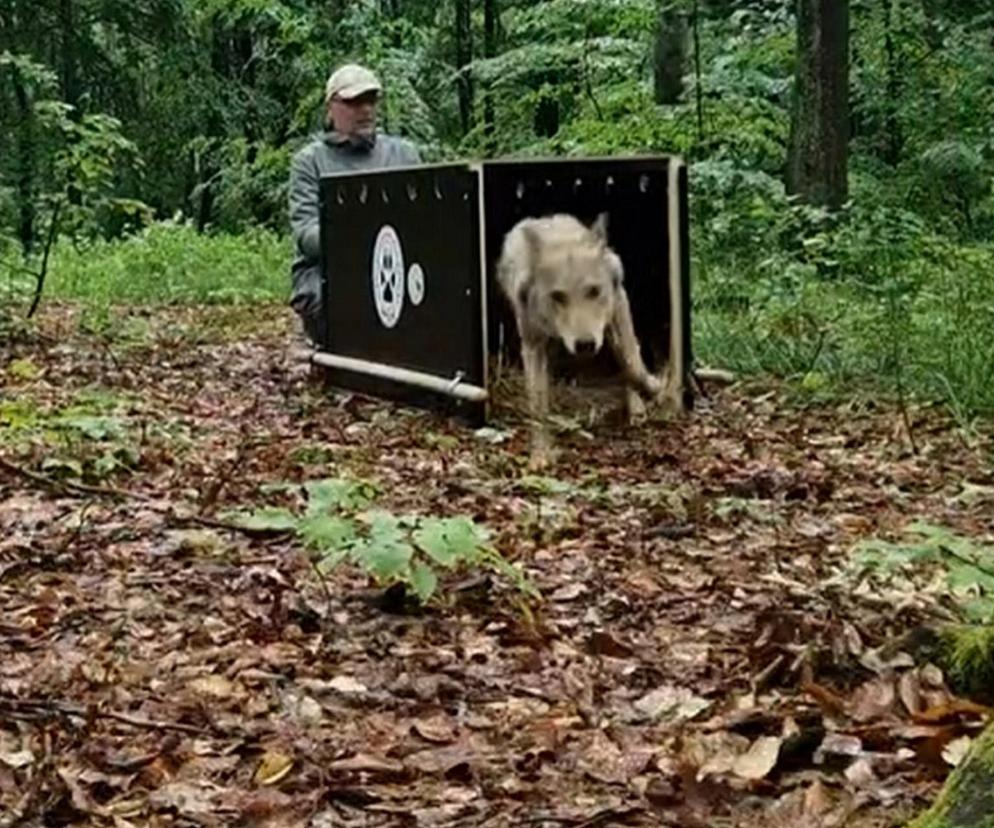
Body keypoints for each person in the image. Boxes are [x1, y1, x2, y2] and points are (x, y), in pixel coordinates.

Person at [288, 63, 422, 343]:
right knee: (328, 302)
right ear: (332, 107)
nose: (365, 110)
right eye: (354, 101)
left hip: (395, 265)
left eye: (371, 100)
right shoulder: (310, 161)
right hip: (328, 271)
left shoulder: (404, 155)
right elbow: (306, 234)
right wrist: (355, 239)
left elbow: (424, 221)